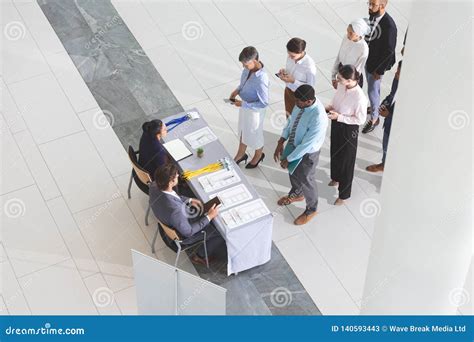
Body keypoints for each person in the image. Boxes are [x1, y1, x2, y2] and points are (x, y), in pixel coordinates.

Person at [149, 163, 224, 265]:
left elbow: (174, 196)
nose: (178, 176)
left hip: (167, 216)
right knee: (219, 231)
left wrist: (188, 199)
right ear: (171, 182)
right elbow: (188, 232)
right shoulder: (176, 210)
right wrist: (209, 216)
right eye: (176, 176)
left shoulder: (154, 185)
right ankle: (199, 256)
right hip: (183, 234)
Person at [273, 85, 328, 225]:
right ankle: (297, 193)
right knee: (293, 171)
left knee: (306, 178)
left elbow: (307, 144)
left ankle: (312, 209)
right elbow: (291, 122)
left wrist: (290, 158)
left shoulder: (318, 117)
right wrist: (281, 140)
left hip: (308, 152)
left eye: (299, 102)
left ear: (309, 101)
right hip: (294, 144)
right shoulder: (300, 104)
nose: (296, 104)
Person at [327, 65, 368, 205]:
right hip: (336, 121)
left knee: (346, 161)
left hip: (349, 129)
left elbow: (360, 120)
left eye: (340, 79)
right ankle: (335, 177)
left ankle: (343, 195)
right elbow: (336, 99)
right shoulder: (341, 86)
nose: (337, 80)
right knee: (335, 152)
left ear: (350, 80)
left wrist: (340, 117)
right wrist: (330, 107)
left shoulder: (360, 98)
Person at [229, 46, 269, 168]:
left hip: (254, 110)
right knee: (243, 129)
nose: (243, 67)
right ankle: (241, 154)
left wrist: (243, 104)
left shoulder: (262, 79)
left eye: (245, 65)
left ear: (255, 61)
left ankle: (258, 155)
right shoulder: (247, 69)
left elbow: (264, 103)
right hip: (245, 105)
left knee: (255, 134)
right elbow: (243, 83)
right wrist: (236, 91)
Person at [362, 0, 397, 134]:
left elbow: (389, 51)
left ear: (382, 6)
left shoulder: (390, 26)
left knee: (373, 91)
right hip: (369, 59)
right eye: (369, 3)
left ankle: (375, 118)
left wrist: (379, 70)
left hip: (376, 66)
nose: (370, 7)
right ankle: (374, 108)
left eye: (373, 4)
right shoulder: (373, 15)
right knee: (372, 90)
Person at [366, 60, 402, 172]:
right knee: (385, 144)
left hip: (396, 126)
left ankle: (388, 166)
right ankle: (384, 163)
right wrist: (384, 104)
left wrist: (389, 115)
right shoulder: (397, 80)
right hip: (388, 124)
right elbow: (391, 95)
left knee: (391, 146)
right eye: (397, 71)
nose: (396, 74)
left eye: (399, 72)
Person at [277, 38, 317, 118]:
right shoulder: (290, 57)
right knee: (289, 116)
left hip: (301, 98)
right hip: (288, 91)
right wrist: (284, 72)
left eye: (292, 56)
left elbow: (310, 88)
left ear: (301, 52)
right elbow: (290, 71)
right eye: (288, 54)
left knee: (297, 119)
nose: (290, 57)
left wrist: (293, 81)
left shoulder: (309, 66)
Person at [332, 18, 370, 89]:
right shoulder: (346, 38)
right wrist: (334, 76)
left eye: (351, 33)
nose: (347, 34)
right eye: (347, 31)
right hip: (342, 71)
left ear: (358, 35)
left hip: (351, 78)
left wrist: (343, 82)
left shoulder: (363, 48)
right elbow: (339, 57)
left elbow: (357, 69)